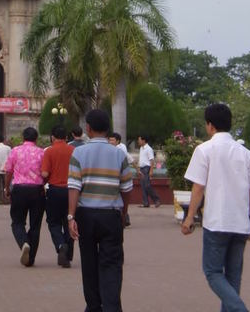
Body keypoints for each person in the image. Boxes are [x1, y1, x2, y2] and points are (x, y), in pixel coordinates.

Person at [181, 103, 250, 312]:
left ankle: (239, 309)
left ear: (209, 125)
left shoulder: (204, 150)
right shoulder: (246, 154)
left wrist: (189, 218)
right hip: (240, 224)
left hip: (216, 222)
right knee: (233, 277)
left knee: (213, 272)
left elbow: (198, 187)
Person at [68, 108, 133, 312]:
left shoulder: (78, 152)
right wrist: (123, 213)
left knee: (88, 263)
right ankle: (112, 307)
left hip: (86, 214)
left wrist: (71, 216)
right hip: (111, 214)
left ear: (88, 128)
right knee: (112, 264)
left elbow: (74, 186)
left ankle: (94, 306)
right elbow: (127, 189)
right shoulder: (119, 154)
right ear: (108, 129)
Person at [3, 126, 45, 267]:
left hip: (19, 189)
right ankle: (30, 258)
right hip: (37, 190)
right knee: (35, 225)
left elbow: (8, 171)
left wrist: (7, 187)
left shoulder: (15, 151)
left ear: (22, 138)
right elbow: (45, 173)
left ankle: (23, 243)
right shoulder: (41, 153)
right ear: (36, 138)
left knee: (17, 222)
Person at [41, 125, 74, 267]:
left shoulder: (49, 151)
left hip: (54, 191)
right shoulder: (74, 151)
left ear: (52, 137)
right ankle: (68, 254)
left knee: (53, 222)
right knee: (70, 221)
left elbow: (44, 174)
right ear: (66, 137)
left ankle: (61, 245)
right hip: (71, 191)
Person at [137, 134, 161, 208]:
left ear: (144, 140)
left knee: (147, 186)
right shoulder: (141, 148)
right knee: (143, 186)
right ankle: (145, 203)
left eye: (139, 140)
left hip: (146, 168)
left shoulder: (148, 149)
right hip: (142, 168)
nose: (138, 141)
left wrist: (151, 171)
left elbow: (152, 161)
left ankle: (157, 200)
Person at [0, 138, 12, 205]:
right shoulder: (8, 148)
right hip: (6, 169)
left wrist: (0, 167)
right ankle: (7, 199)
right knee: (6, 185)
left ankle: (1, 200)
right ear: (4, 140)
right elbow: (10, 158)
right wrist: (5, 167)